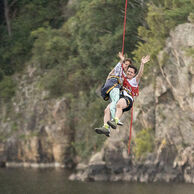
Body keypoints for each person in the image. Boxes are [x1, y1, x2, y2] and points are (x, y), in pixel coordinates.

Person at [95, 55, 150, 136]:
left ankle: (115, 120)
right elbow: (115, 72)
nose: (129, 73)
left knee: (119, 104)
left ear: (134, 74)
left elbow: (140, 74)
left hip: (127, 99)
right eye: (128, 71)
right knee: (107, 110)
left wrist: (142, 64)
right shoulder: (122, 79)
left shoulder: (134, 81)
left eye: (131, 72)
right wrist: (122, 61)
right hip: (119, 98)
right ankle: (106, 128)